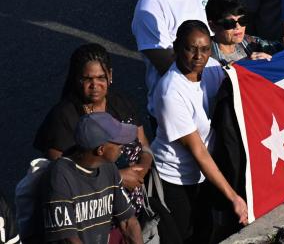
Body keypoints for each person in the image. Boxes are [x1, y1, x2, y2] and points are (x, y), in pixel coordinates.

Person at [151, 20, 248, 242]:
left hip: (206, 174)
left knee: (209, 231)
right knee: (188, 236)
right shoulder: (170, 92)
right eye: (190, 49)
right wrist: (233, 197)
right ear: (177, 49)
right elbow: (198, 151)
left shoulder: (212, 67)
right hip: (176, 179)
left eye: (204, 49)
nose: (198, 56)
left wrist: (260, 62)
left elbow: (242, 86)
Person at [33, 43, 152, 213]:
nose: (95, 85)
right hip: (92, 211)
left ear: (110, 75)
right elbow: (61, 171)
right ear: (77, 79)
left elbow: (145, 146)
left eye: (101, 78)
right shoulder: (63, 117)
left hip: (134, 204)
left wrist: (141, 172)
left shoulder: (122, 103)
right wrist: (118, 178)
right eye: (87, 79)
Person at [131, 0, 213, 119]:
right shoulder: (149, 7)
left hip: (210, 97)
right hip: (176, 109)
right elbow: (169, 66)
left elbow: (218, 40)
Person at [40, 112, 142, 243]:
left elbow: (128, 223)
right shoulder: (60, 176)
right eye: (118, 143)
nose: (122, 146)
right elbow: (68, 240)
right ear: (100, 150)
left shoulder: (108, 167)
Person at [206, 0, 284, 65]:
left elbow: (279, 49)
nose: (238, 27)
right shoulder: (204, 57)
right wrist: (244, 67)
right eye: (229, 23)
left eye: (242, 20)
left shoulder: (250, 42)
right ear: (212, 26)